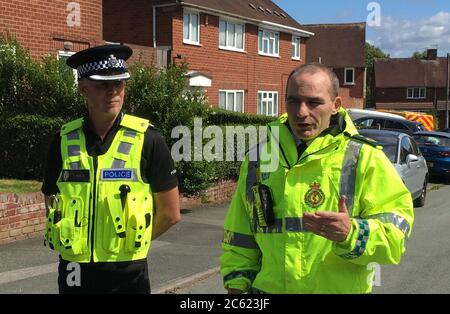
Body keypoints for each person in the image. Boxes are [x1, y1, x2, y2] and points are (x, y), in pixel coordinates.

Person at [220, 63, 414, 294]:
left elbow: (395, 239)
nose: (301, 112)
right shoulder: (259, 158)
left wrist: (351, 233)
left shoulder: (366, 158)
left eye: (313, 102)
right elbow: (240, 236)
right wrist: (236, 287)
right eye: (293, 101)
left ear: (336, 105)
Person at [41, 44, 180, 294]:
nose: (113, 91)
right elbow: (52, 202)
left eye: (119, 83)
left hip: (127, 273)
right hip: (75, 269)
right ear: (83, 88)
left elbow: (170, 213)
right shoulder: (63, 140)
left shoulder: (148, 140)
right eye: (103, 84)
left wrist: (129, 244)